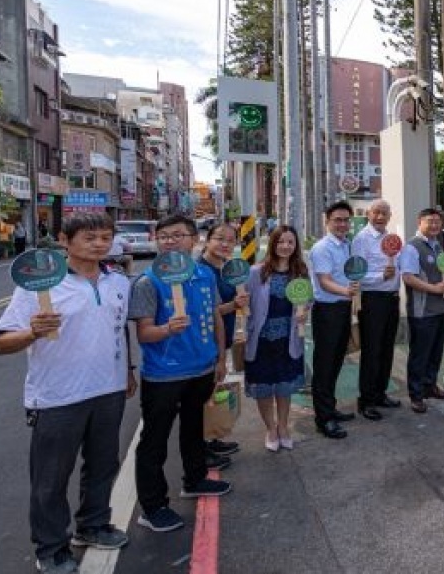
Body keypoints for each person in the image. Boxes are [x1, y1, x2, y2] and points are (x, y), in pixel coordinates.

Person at [0, 212, 133, 574]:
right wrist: (32, 333)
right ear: (64, 240)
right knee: (50, 479)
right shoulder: (39, 286)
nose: (100, 244)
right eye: (90, 237)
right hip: (57, 397)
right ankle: (51, 549)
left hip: (109, 390)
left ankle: (93, 524)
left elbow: (120, 332)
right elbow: (0, 342)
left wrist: (129, 373)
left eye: (106, 237)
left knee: (103, 464)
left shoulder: (118, 281)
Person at [129, 213, 230, 534]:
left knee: (193, 428)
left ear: (193, 240)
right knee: (154, 441)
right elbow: (144, 334)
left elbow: (214, 317)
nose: (170, 241)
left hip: (202, 368)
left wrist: (220, 358)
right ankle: (153, 505)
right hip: (163, 376)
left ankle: (195, 479)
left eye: (178, 236)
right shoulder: (148, 282)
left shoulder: (204, 275)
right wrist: (166, 329)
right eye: (164, 236)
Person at [242, 225, 309, 451]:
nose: (285, 246)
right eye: (281, 242)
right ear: (272, 244)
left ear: (295, 245)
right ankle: (270, 428)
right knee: (263, 387)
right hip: (261, 341)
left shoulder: (300, 271)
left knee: (284, 387)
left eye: (290, 242)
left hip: (288, 339)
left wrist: (304, 310)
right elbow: (245, 302)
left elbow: (308, 298)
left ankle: (283, 427)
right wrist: (241, 303)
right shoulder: (256, 272)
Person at [400, 208, 444, 413]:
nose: (435, 225)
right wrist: (434, 289)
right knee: (420, 355)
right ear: (419, 222)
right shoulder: (412, 248)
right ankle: (416, 395)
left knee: (435, 352)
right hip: (422, 312)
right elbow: (408, 277)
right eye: (430, 221)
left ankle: (430, 386)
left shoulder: (436, 245)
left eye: (438, 222)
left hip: (439, 309)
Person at [308, 200, 359, 440]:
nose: (342, 224)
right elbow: (323, 280)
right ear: (327, 221)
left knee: (337, 361)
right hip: (327, 311)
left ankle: (330, 409)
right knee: (324, 365)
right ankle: (324, 419)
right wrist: (345, 291)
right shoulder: (322, 248)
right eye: (337, 220)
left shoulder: (347, 245)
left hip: (342, 308)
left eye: (345, 220)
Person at [351, 199, 402, 420]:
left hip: (391, 299)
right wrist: (381, 276)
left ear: (390, 216)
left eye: (385, 213)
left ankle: (381, 393)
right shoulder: (361, 239)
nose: (380, 217)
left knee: (387, 348)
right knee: (372, 351)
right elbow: (357, 274)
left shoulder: (391, 239)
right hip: (373, 300)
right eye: (377, 213)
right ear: (368, 215)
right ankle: (366, 400)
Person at [198, 223, 245, 460]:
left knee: (213, 391)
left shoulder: (227, 269)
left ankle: (211, 438)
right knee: (203, 395)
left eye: (230, 240)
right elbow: (205, 311)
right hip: (205, 343)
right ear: (207, 240)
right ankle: (201, 448)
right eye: (219, 239)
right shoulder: (199, 270)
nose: (225, 244)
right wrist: (233, 306)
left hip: (222, 338)